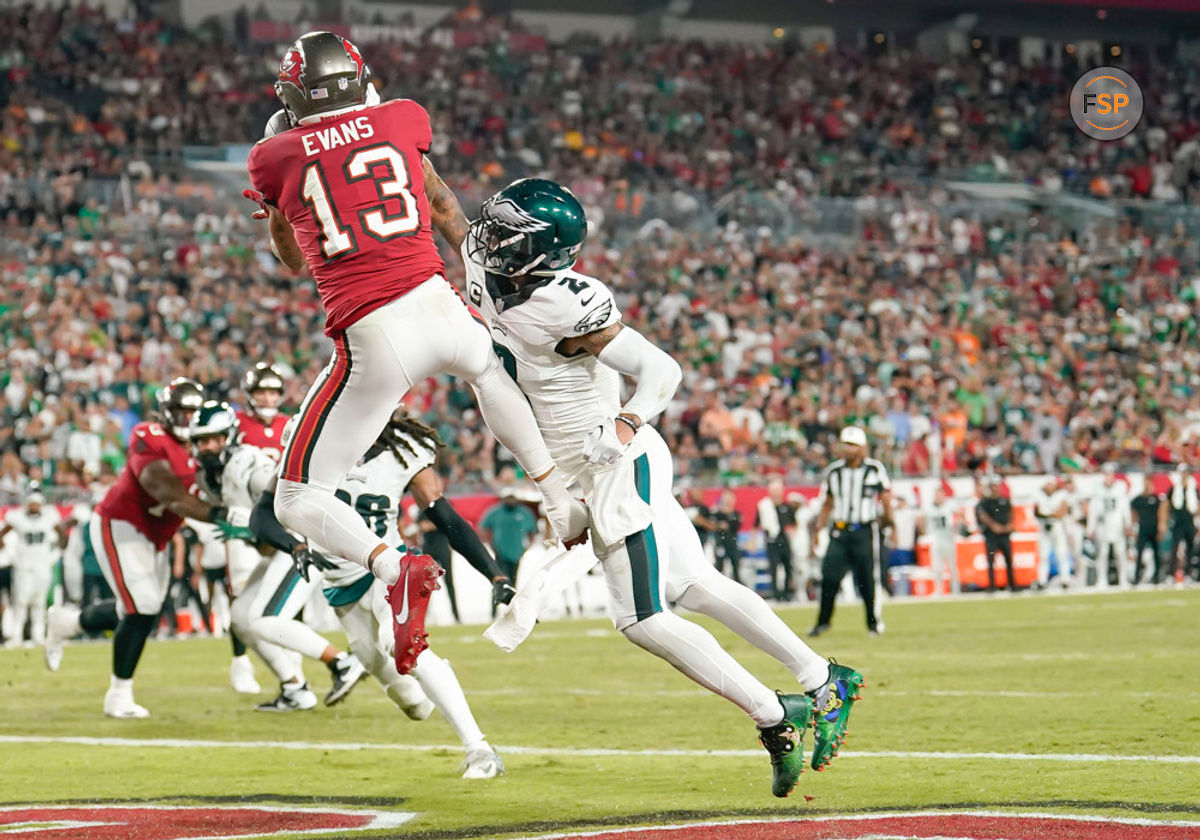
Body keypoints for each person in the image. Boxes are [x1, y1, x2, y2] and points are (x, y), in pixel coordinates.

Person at [462, 177, 863, 798]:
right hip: (585, 469)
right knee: (693, 587)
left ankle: (778, 715)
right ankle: (821, 677)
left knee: (642, 617)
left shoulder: (568, 302)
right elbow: (437, 204)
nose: (487, 240)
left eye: (508, 235)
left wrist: (625, 421)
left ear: (543, 253)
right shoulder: (486, 264)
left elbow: (661, 368)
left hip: (615, 459)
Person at [243, 32, 587, 675]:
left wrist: (273, 207)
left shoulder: (274, 155)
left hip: (374, 329)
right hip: (440, 301)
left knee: (294, 497)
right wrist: (480, 270)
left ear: (293, 92)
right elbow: (443, 201)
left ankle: (393, 569)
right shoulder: (403, 117)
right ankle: (557, 494)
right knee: (488, 371)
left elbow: (290, 259)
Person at [277, 415, 506, 778]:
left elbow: (444, 515)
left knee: (401, 643)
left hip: (388, 566)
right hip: (338, 583)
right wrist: (293, 543)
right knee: (407, 698)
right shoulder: (310, 438)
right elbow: (269, 507)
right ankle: (432, 687)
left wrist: (494, 573)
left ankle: (479, 748)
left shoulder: (402, 449)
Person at [43, 378, 235, 718]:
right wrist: (226, 515)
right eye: (180, 411)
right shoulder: (150, 436)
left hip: (157, 536)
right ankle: (118, 695)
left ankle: (68, 622)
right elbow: (168, 493)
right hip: (122, 524)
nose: (187, 418)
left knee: (136, 608)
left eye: (193, 412)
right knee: (142, 606)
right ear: (165, 411)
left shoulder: (205, 446)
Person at [189, 401, 367, 711]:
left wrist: (248, 527)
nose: (207, 447)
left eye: (214, 439)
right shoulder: (209, 477)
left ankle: (341, 662)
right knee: (242, 619)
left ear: (229, 436)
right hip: (277, 548)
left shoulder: (248, 465)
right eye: (201, 441)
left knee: (266, 619)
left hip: (299, 542)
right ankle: (294, 688)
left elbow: (283, 503)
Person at [810, 427, 892, 637]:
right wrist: (818, 529)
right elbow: (827, 503)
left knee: (867, 579)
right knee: (829, 576)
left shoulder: (874, 469)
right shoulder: (834, 471)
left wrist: (891, 523)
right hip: (839, 530)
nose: (848, 449)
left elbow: (885, 498)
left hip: (865, 530)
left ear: (862, 447)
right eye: (845, 444)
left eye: (852, 445)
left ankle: (873, 623)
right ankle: (823, 622)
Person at [0, 490, 66, 646]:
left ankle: (38, 635)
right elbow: (3, 533)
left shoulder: (49, 518)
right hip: (24, 565)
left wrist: (56, 554)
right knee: (21, 601)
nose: (34, 506)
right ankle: (17, 635)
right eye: (32, 504)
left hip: (42, 565)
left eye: (37, 504)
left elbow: (63, 535)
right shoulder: (18, 518)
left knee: (39, 601)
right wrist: (5, 548)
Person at [480, 490, 539, 587]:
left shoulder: (524, 512)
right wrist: (491, 544)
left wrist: (528, 547)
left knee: (513, 581)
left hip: (517, 552)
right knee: (500, 581)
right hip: (500, 552)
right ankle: (498, 601)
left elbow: (532, 531)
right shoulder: (495, 511)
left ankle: (511, 600)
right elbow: (484, 527)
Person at [1087, 465, 1131, 589]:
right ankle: (1102, 580)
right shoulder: (1097, 488)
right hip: (1102, 524)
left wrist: (1127, 523)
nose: (1108, 477)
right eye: (1106, 474)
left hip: (1117, 524)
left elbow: (1125, 506)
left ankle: (1123, 579)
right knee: (1102, 553)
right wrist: (1090, 527)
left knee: (1120, 552)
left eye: (1110, 474)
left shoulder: (1120, 487)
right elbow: (1093, 509)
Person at [756, 478, 797, 601]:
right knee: (773, 567)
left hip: (784, 540)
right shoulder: (765, 507)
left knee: (788, 567)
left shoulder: (787, 507)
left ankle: (786, 593)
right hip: (772, 541)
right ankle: (776, 593)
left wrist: (792, 535)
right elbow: (756, 524)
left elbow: (794, 523)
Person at [237, 362, 290, 454]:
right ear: (250, 395)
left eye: (272, 393)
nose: (267, 399)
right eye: (260, 393)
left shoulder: (288, 424)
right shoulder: (237, 421)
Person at [976, 477, 1016, 593]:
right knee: (991, 560)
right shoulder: (985, 502)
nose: (995, 488)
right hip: (991, 536)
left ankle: (1012, 584)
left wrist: (1009, 525)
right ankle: (992, 585)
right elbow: (982, 516)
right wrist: (994, 526)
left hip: (1004, 535)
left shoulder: (1004, 500)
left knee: (1008, 559)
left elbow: (1011, 512)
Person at [921, 485, 960, 596]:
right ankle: (939, 590)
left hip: (948, 539)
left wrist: (957, 524)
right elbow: (922, 518)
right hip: (937, 540)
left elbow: (960, 513)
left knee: (952, 566)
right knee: (937, 567)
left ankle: (955, 590)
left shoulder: (950, 505)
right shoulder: (930, 507)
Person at [1163, 464, 1198, 583]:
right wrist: (1164, 521)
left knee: (1190, 548)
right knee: (1174, 548)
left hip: (1189, 522)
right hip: (1177, 522)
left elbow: (1197, 506)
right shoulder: (1174, 489)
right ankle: (1170, 574)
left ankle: (1188, 573)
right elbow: (1166, 505)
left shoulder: (1193, 489)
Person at [1034, 478, 1072, 588]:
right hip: (1044, 527)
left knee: (1061, 553)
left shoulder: (1061, 495)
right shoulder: (1039, 495)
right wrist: (1050, 513)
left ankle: (1065, 579)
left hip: (1057, 527)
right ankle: (1042, 581)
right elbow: (1036, 511)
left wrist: (1047, 514)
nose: (1049, 487)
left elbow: (1061, 512)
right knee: (1043, 555)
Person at [1130, 483, 1163, 585]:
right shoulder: (1138, 499)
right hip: (1142, 529)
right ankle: (1137, 577)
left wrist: (1161, 526)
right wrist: (1133, 526)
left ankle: (1157, 577)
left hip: (1153, 529)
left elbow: (1162, 510)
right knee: (1139, 553)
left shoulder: (1156, 499)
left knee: (1156, 553)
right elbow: (1133, 512)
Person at [711, 490, 744, 585]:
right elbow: (712, 525)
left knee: (735, 566)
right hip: (720, 543)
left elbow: (736, 526)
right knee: (719, 566)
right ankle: (719, 585)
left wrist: (725, 525)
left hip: (732, 543)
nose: (728, 501)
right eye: (725, 499)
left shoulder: (736, 514)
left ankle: (737, 585)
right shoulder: (716, 513)